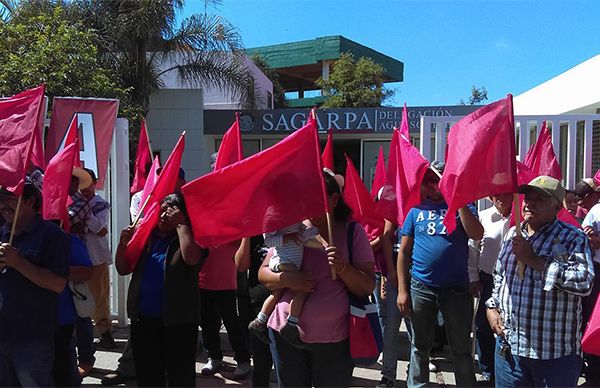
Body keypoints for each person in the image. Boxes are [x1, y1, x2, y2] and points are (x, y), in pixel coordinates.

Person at [259, 171, 375, 387]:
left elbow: (367, 286)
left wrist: (343, 268)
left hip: (334, 340)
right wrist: (287, 279)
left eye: (316, 197)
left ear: (334, 200)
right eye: (304, 196)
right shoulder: (291, 227)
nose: (308, 203)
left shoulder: (352, 232)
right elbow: (264, 275)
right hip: (285, 334)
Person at [486, 175, 594, 387]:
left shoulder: (573, 238)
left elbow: (584, 282)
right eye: (528, 198)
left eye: (540, 200)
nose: (530, 203)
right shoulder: (512, 235)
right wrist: (492, 308)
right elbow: (499, 277)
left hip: (553, 356)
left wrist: (535, 261)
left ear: (557, 207)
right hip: (510, 352)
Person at [396, 162, 483, 387]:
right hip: (421, 287)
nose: (433, 185)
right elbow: (404, 252)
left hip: (456, 289)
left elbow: (477, 233)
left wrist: (457, 199)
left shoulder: (464, 207)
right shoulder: (416, 212)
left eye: (438, 180)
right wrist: (402, 290)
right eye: (428, 181)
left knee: (461, 348)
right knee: (419, 346)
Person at [115, 193, 206, 386]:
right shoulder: (145, 236)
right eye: (162, 210)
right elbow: (123, 269)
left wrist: (181, 225)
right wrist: (123, 245)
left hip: (178, 322)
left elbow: (191, 259)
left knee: (180, 376)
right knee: (148, 376)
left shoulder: (193, 235)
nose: (165, 215)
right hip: (144, 320)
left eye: (171, 211)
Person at [0, 181, 71, 386]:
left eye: (10, 199)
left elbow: (58, 284)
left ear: (31, 202)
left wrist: (18, 262)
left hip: (32, 338)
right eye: (1, 200)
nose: (4, 205)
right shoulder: (2, 232)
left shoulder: (52, 235)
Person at [248, 222, 320, 345]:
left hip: (290, 262)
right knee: (302, 289)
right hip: (283, 261)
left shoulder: (295, 217)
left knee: (277, 292)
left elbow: (306, 232)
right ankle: (291, 325)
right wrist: (288, 237)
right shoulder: (274, 217)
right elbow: (268, 241)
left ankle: (260, 320)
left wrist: (313, 232)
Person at [467, 193, 512, 382]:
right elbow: (473, 249)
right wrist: (473, 278)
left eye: (506, 194)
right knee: (484, 326)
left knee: (508, 326)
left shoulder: (522, 217)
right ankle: (488, 370)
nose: (501, 198)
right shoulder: (483, 216)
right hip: (488, 279)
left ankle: (509, 368)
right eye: (496, 195)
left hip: (512, 281)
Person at [198, 238, 252, 379]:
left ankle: (243, 359)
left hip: (226, 281)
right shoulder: (204, 222)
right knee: (208, 322)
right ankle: (214, 356)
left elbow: (239, 242)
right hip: (203, 280)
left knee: (232, 323)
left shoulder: (229, 222)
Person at [80, 169, 115, 349]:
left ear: (94, 183)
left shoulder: (101, 204)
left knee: (99, 297)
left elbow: (100, 228)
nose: (84, 188)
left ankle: (104, 332)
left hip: (96, 257)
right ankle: (81, 333)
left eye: (88, 183)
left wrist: (84, 212)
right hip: (76, 256)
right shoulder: (71, 202)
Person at [68, 168, 97, 378]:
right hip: (56, 259)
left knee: (81, 312)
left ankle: (86, 358)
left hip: (75, 258)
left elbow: (64, 221)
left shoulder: (81, 203)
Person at [54, 235, 93, 386]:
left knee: (63, 371)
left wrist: (52, 270)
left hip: (61, 318)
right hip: (17, 323)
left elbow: (86, 272)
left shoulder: (65, 240)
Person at [235, 235, 275, 387]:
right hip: (257, 307)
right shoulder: (254, 234)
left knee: (287, 364)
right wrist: (246, 234)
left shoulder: (289, 227)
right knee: (261, 362)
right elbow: (241, 265)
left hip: (286, 303)